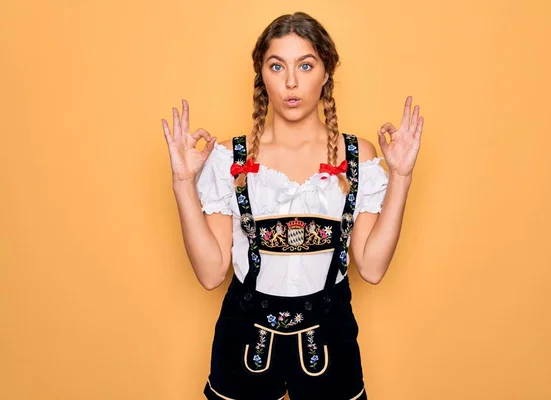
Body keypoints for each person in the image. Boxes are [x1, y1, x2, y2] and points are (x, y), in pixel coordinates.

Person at [161, 11, 424, 400]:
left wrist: (401, 175)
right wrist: (183, 183)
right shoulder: (228, 159)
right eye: (276, 65)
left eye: (305, 64)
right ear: (262, 75)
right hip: (243, 345)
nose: (290, 81)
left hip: (332, 345)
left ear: (326, 73)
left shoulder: (357, 157)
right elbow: (211, 273)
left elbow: (372, 266)